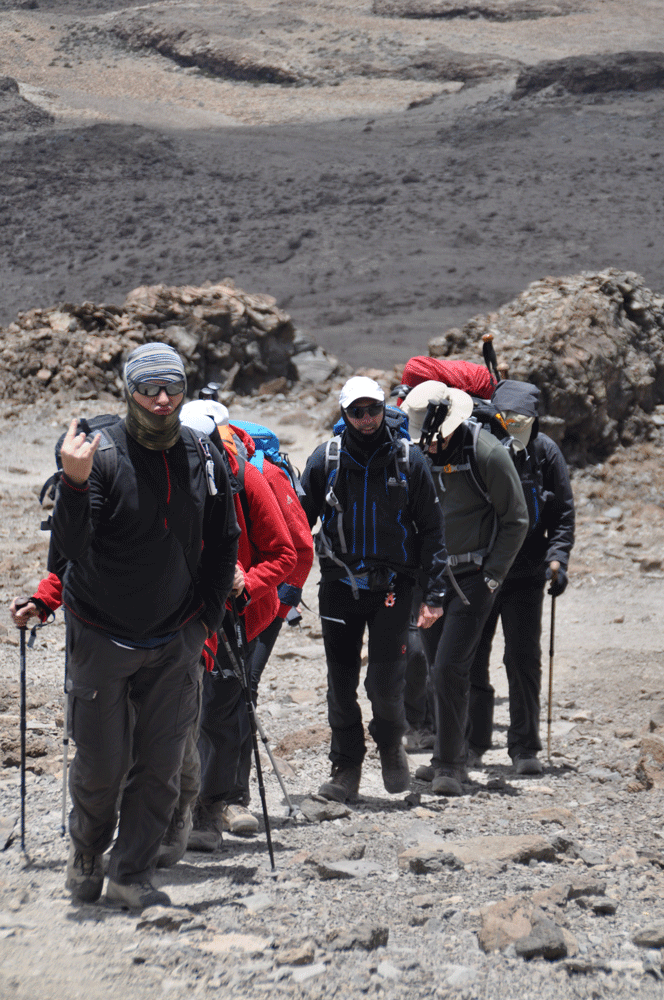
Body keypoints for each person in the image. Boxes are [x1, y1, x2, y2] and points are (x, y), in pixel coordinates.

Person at [50, 342, 239, 909]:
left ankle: (131, 873)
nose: (162, 399)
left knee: (160, 769)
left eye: (172, 387)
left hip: (175, 636)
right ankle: (88, 852)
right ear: (128, 391)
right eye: (148, 388)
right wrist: (74, 484)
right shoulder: (99, 452)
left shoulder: (202, 453)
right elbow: (68, 549)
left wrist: (203, 622)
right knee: (102, 766)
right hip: (100, 633)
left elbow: (223, 540)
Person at [300, 376, 448, 804]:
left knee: (385, 684)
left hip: (393, 588)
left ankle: (388, 743)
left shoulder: (409, 460)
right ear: (344, 414)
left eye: (373, 410)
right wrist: (284, 584)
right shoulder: (325, 459)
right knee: (340, 684)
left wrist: (434, 594)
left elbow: (432, 531)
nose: (366, 419)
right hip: (339, 586)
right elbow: (298, 524)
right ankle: (346, 767)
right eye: (357, 412)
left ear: (385, 408)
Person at [165, 400, 297, 853]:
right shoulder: (160, 474)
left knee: (218, 713)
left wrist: (248, 583)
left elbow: (286, 553)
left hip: (235, 614)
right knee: (172, 709)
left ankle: (210, 809)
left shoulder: (246, 478)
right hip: (175, 613)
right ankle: (171, 808)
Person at [401, 381, 528, 796]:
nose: (429, 446)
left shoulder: (486, 453)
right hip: (430, 579)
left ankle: (450, 765)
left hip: (473, 579)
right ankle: (447, 754)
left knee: (449, 668)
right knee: (437, 669)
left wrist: (493, 576)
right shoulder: (417, 454)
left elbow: (516, 519)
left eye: (435, 438)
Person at [467, 379, 575, 774]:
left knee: (523, 658)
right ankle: (472, 743)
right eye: (506, 417)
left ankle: (525, 748)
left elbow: (562, 512)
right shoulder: (477, 447)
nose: (513, 424)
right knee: (471, 658)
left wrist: (557, 558)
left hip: (526, 573)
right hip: (479, 572)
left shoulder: (545, 452)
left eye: (521, 418)